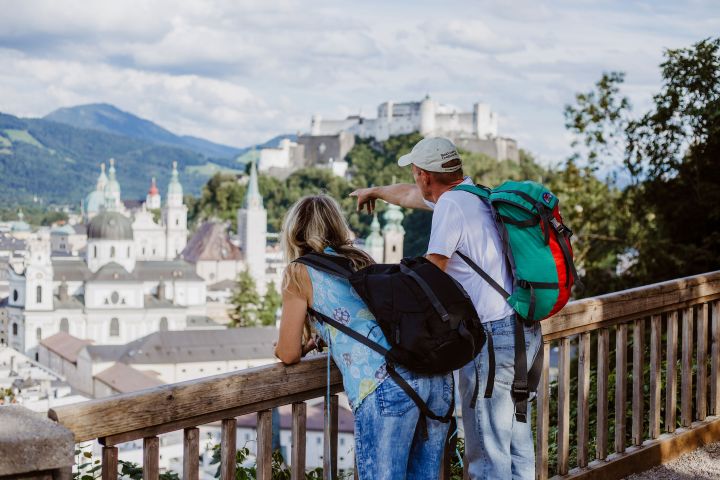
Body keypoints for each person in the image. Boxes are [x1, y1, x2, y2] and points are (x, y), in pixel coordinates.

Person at [351, 137, 542, 479]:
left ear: (424, 174)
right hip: (521, 327)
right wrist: (375, 191)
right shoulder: (474, 194)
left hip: (493, 338)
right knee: (515, 436)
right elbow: (410, 196)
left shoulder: (450, 207)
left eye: (414, 172)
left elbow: (429, 274)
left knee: (487, 448)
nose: (413, 180)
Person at [274, 194, 453, 480]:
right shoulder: (361, 258)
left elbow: (288, 353)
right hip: (431, 378)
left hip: (384, 383)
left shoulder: (298, 272)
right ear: (336, 225)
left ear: (295, 231)